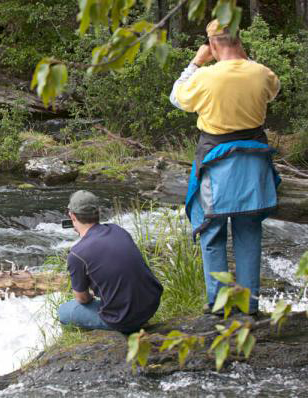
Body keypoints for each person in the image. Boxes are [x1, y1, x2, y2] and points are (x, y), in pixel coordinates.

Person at [169, 20, 281, 315]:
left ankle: (219, 304)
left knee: (212, 231)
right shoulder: (261, 72)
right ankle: (249, 305)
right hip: (254, 159)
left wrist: (195, 62)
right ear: (239, 41)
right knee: (248, 232)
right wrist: (244, 57)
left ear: (213, 45)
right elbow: (274, 90)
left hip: (215, 161)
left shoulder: (204, 77)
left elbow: (176, 98)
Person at [57, 190, 163, 333]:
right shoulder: (118, 230)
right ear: (98, 212)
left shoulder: (77, 254)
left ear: (72, 216)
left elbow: (82, 299)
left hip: (123, 319)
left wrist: (91, 295)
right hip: (151, 305)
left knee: (63, 311)